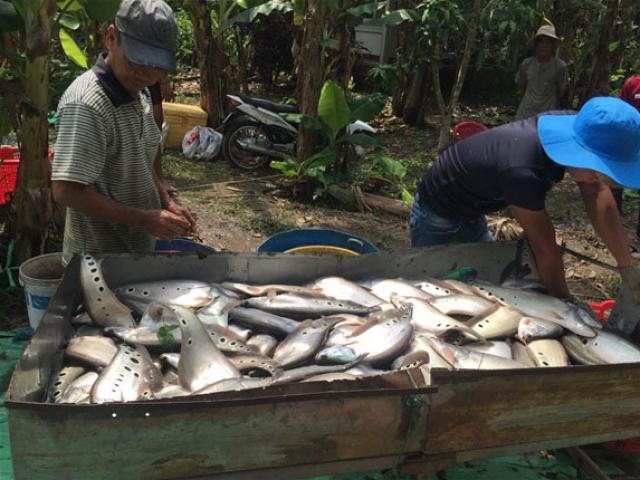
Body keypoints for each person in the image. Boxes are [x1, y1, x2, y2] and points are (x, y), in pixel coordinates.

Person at [409, 97, 640, 301]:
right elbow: (544, 246)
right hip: (437, 213)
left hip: (473, 207)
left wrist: (626, 263)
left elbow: (595, 190)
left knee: (481, 280)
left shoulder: (579, 127)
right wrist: (565, 305)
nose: (597, 178)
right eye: (599, 170)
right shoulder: (522, 171)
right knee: (436, 292)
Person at [52, 0, 195, 257]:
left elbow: (141, 161)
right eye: (136, 60)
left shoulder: (138, 93)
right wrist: (144, 219)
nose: (145, 73)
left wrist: (166, 202)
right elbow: (66, 191)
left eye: (156, 65)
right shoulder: (87, 104)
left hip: (132, 253)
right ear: (111, 38)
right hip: (97, 261)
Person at [515, 23, 568, 120]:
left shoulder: (560, 66)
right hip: (525, 113)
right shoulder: (527, 63)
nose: (544, 46)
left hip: (547, 115)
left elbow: (561, 92)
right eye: (542, 42)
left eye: (548, 43)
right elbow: (521, 86)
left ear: (553, 46)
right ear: (536, 44)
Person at [611, 75, 640, 236]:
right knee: (616, 181)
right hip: (630, 140)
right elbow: (621, 110)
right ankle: (613, 225)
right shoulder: (633, 83)